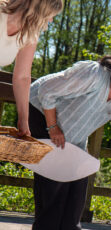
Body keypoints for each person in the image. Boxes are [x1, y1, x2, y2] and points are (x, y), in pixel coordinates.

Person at [28, 44, 111, 230]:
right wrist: (53, 127)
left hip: (73, 136)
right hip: (41, 113)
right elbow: (46, 91)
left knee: (78, 184)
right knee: (54, 184)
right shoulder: (94, 75)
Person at [0, 0, 63, 136]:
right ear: (38, 10)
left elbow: (22, 77)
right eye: (50, 15)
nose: (51, 20)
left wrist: (23, 119)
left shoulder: (30, 34)